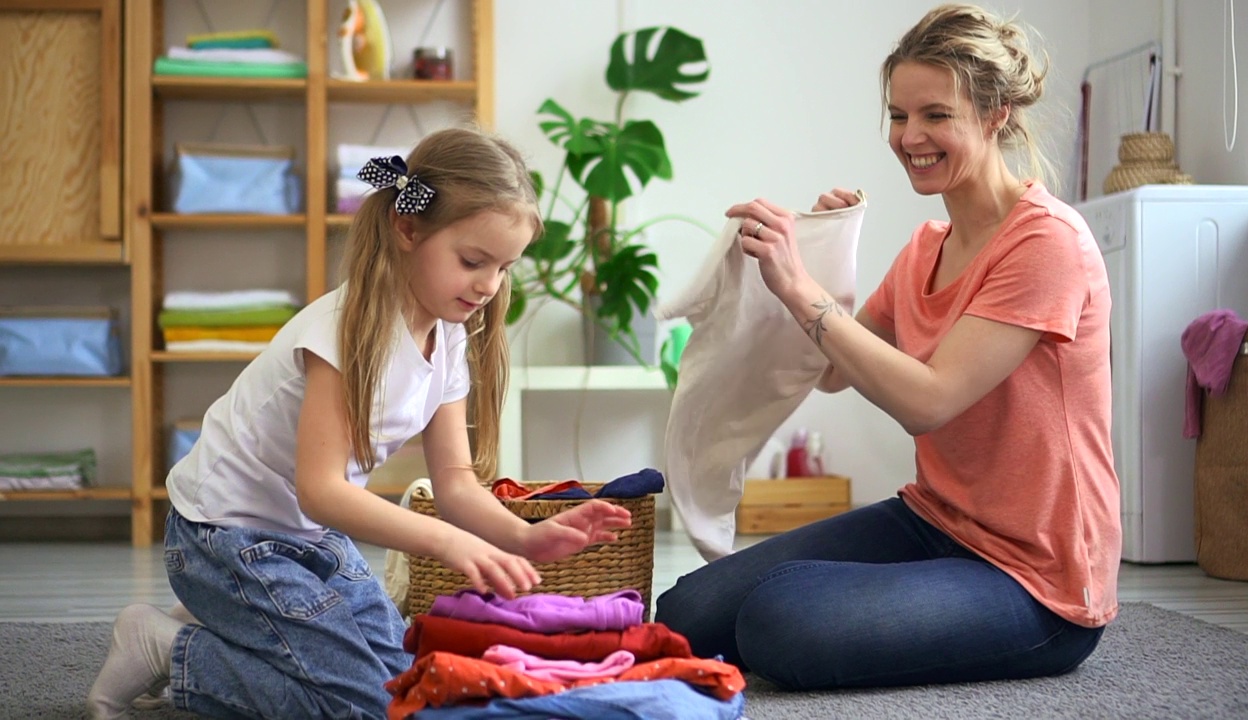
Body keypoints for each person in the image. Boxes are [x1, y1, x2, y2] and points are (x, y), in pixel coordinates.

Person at [87, 127, 632, 719]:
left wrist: (524, 536)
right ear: (408, 228)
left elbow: (454, 483)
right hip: (222, 536)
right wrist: (450, 543)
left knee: (406, 690)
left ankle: (234, 621)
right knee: (367, 707)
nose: (489, 285)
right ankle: (168, 647)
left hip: (307, 541)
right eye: (473, 261)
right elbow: (321, 492)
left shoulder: (447, 338)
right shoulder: (346, 332)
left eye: (504, 268)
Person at [654, 3, 1121, 691]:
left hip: (1037, 580)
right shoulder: (926, 248)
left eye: (935, 115)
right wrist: (824, 256)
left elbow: (928, 402)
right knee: (686, 611)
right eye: (899, 116)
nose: (910, 137)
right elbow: (833, 373)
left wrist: (797, 288)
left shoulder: (1046, 242)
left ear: (995, 115)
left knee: (778, 625)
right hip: (935, 521)